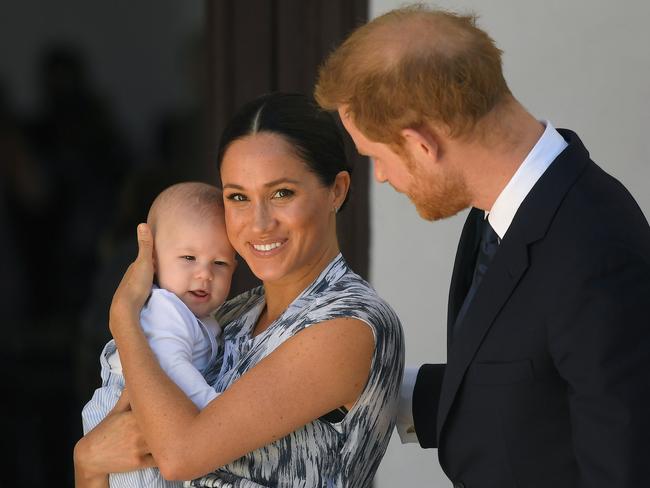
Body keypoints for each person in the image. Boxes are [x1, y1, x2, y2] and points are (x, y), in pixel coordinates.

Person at [314, 5, 650, 488]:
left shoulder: (595, 250)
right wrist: (369, 386)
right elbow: (527, 388)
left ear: (422, 143)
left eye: (376, 157)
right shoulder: (500, 211)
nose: (382, 176)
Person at [73, 92, 405, 488]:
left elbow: (179, 457)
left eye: (282, 193)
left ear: (337, 190)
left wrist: (124, 319)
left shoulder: (348, 323)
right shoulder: (227, 316)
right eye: (238, 197)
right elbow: (117, 464)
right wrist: (87, 461)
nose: (259, 223)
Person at [81, 182, 237, 487]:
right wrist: (216, 412)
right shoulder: (166, 309)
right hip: (129, 419)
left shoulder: (201, 317)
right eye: (189, 258)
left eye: (219, 263)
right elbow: (172, 367)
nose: (204, 274)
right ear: (152, 260)